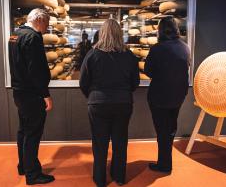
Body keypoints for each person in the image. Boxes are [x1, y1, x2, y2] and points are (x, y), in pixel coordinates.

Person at [80, 19, 140, 187]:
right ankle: (119, 176)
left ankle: (100, 179)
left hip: (98, 103)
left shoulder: (93, 54)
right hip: (123, 103)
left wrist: (92, 96)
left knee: (100, 143)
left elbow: (83, 82)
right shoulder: (129, 56)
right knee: (120, 141)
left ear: (102, 33)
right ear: (120, 34)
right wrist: (124, 94)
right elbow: (134, 82)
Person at [8, 8, 55, 185]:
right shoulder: (33, 37)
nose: (47, 27)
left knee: (23, 131)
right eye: (47, 23)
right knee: (33, 133)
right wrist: (45, 94)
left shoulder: (15, 35)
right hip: (32, 94)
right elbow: (36, 69)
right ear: (40, 20)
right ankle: (33, 174)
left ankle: (23, 166)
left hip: (19, 92)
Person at [144, 17, 190, 173]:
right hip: (178, 95)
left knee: (162, 131)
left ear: (161, 30)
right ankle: (165, 162)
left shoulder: (157, 48)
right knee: (170, 129)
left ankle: (164, 165)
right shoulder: (185, 47)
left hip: (159, 96)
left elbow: (148, 71)